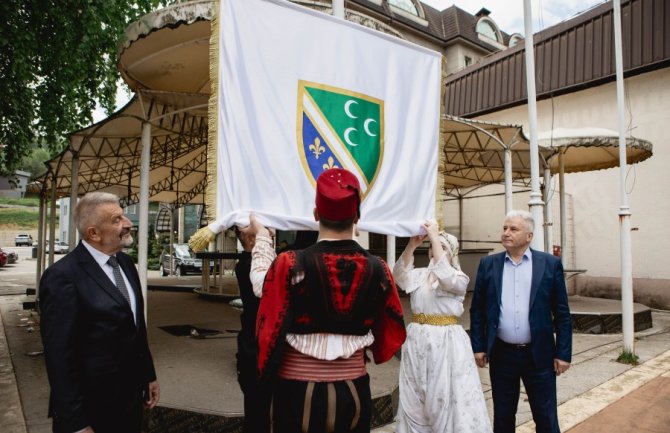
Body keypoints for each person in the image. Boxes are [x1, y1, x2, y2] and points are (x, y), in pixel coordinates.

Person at [241, 167, 407, 433]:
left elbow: (262, 284)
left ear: (316, 214)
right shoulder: (379, 268)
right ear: (357, 216)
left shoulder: (291, 264)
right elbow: (390, 329)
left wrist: (262, 235)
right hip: (354, 391)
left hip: (297, 392)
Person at [39, 192, 160, 433]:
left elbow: (136, 328)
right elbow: (59, 357)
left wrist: (148, 375)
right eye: (116, 220)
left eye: (123, 215)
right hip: (91, 410)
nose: (128, 223)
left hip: (129, 403)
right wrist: (76, 422)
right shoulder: (62, 277)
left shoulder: (125, 264)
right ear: (93, 233)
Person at [469, 210, 572, 433]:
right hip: (502, 354)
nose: (506, 233)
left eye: (513, 229)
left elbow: (562, 313)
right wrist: (478, 346)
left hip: (540, 354)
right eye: (505, 228)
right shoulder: (489, 264)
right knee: (503, 416)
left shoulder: (549, 264)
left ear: (529, 236)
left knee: (545, 416)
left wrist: (563, 352)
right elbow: (477, 309)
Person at [393, 220, 492, 433]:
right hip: (417, 341)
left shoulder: (458, 278)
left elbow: (444, 274)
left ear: (453, 253)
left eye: (442, 247)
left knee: (443, 397)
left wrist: (436, 237)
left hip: (445, 344)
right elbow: (398, 276)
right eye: (432, 247)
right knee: (414, 397)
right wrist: (412, 245)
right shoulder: (419, 275)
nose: (434, 250)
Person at [233, 227, 271, 433]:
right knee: (258, 412)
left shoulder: (246, 263)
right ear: (250, 239)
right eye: (266, 233)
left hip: (252, 344)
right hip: (254, 346)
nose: (271, 237)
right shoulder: (248, 266)